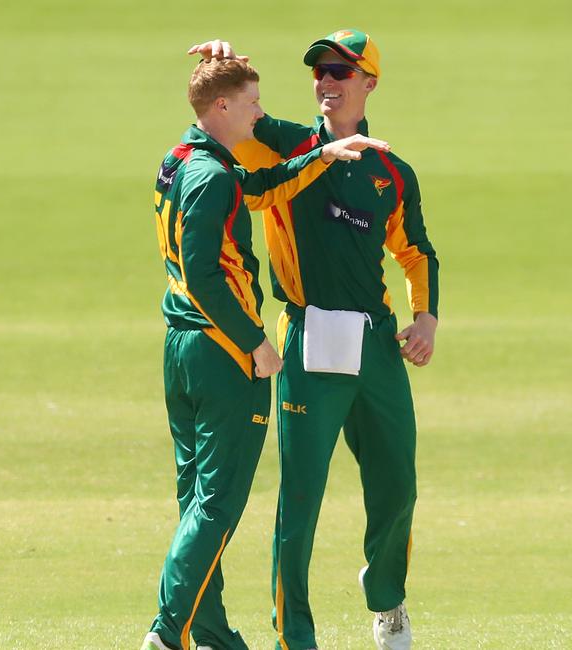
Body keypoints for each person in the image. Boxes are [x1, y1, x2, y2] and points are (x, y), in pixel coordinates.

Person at [188, 29, 439, 650]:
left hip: (377, 342)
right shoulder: (281, 143)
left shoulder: (391, 172)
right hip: (307, 337)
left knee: (397, 485)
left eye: (340, 72)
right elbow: (222, 116)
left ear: (368, 85)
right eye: (319, 72)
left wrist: (426, 316)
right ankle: (294, 636)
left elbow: (417, 251)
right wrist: (223, 65)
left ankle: (386, 599)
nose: (325, 82)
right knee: (299, 499)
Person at [141, 57, 390, 650]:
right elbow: (205, 274)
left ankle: (212, 633)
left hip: (182, 346)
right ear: (222, 108)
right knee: (218, 502)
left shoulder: (182, 159)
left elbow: (256, 188)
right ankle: (166, 632)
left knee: (196, 499)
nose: (260, 111)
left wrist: (319, 156)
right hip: (222, 350)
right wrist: (256, 344)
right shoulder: (212, 177)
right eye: (251, 101)